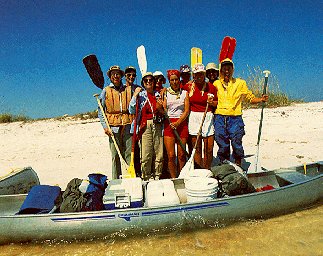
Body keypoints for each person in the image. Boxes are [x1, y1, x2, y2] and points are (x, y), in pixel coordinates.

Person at [213, 58, 269, 166]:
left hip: (235, 117)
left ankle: (238, 163)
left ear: (232, 70)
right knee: (222, 142)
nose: (226, 71)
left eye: (229, 68)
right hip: (220, 117)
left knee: (236, 141)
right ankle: (224, 163)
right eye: (224, 69)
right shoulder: (216, 84)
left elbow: (249, 98)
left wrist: (260, 99)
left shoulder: (240, 83)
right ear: (221, 70)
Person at [98, 65, 134, 179]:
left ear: (121, 76)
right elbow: (101, 111)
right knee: (115, 156)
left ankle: (130, 177)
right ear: (110, 76)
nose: (115, 76)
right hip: (113, 127)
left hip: (127, 126)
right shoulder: (106, 91)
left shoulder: (128, 89)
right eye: (113, 74)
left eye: (117, 73)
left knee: (129, 154)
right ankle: (115, 180)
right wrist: (105, 127)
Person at [129, 72, 164, 181]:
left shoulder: (158, 94)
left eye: (150, 80)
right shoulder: (140, 95)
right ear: (143, 83)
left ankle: (157, 175)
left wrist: (160, 107)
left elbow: (163, 111)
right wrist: (135, 95)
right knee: (146, 154)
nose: (148, 82)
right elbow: (131, 109)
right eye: (146, 81)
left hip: (157, 124)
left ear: (154, 82)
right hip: (145, 126)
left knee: (159, 153)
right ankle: (146, 176)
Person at [182, 63, 217, 169]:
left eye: (201, 74)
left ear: (204, 74)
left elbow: (217, 103)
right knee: (196, 147)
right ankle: (198, 169)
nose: (199, 76)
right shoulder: (188, 86)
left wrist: (211, 103)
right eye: (197, 74)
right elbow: (178, 91)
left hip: (208, 116)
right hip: (194, 117)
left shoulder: (211, 87)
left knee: (209, 147)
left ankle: (207, 169)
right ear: (193, 75)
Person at [160, 69, 190, 178]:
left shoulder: (184, 93)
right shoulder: (165, 92)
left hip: (181, 123)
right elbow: (163, 109)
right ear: (169, 81)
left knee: (181, 155)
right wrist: (160, 105)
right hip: (169, 124)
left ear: (179, 80)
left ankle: (182, 177)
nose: (174, 82)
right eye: (172, 80)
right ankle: (173, 178)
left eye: (176, 79)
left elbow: (186, 111)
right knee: (171, 155)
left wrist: (178, 123)